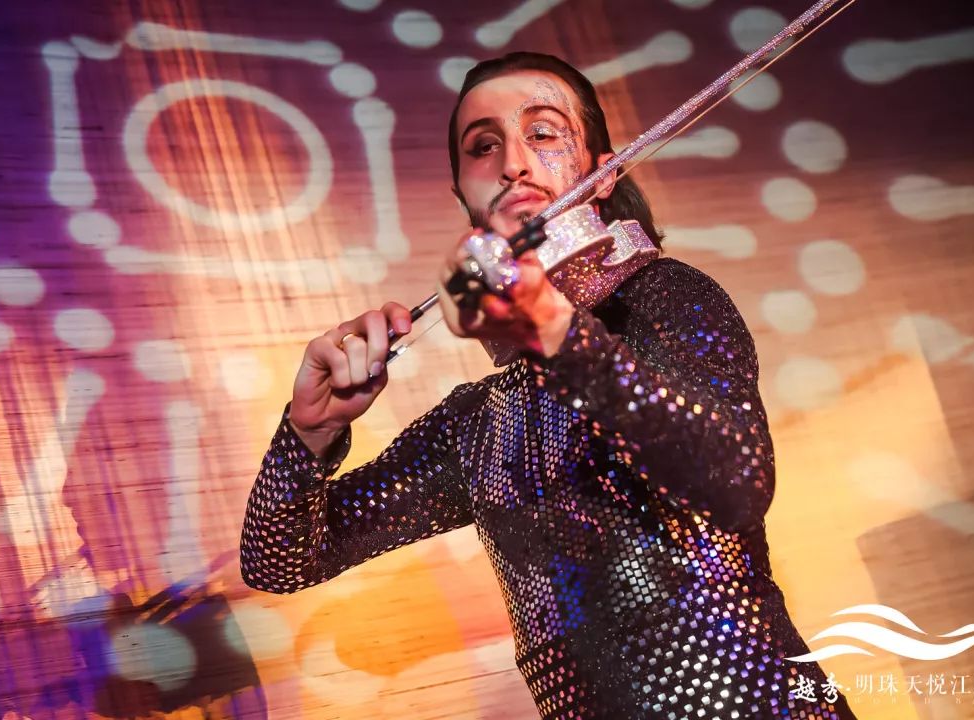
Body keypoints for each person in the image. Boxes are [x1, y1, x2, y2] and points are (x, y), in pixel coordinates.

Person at [241, 52, 858, 719]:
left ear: (602, 173)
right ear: (465, 198)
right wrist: (308, 434)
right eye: (483, 147)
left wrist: (558, 333)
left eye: (542, 133)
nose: (512, 163)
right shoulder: (476, 424)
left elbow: (737, 485)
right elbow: (280, 563)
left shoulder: (665, 297)